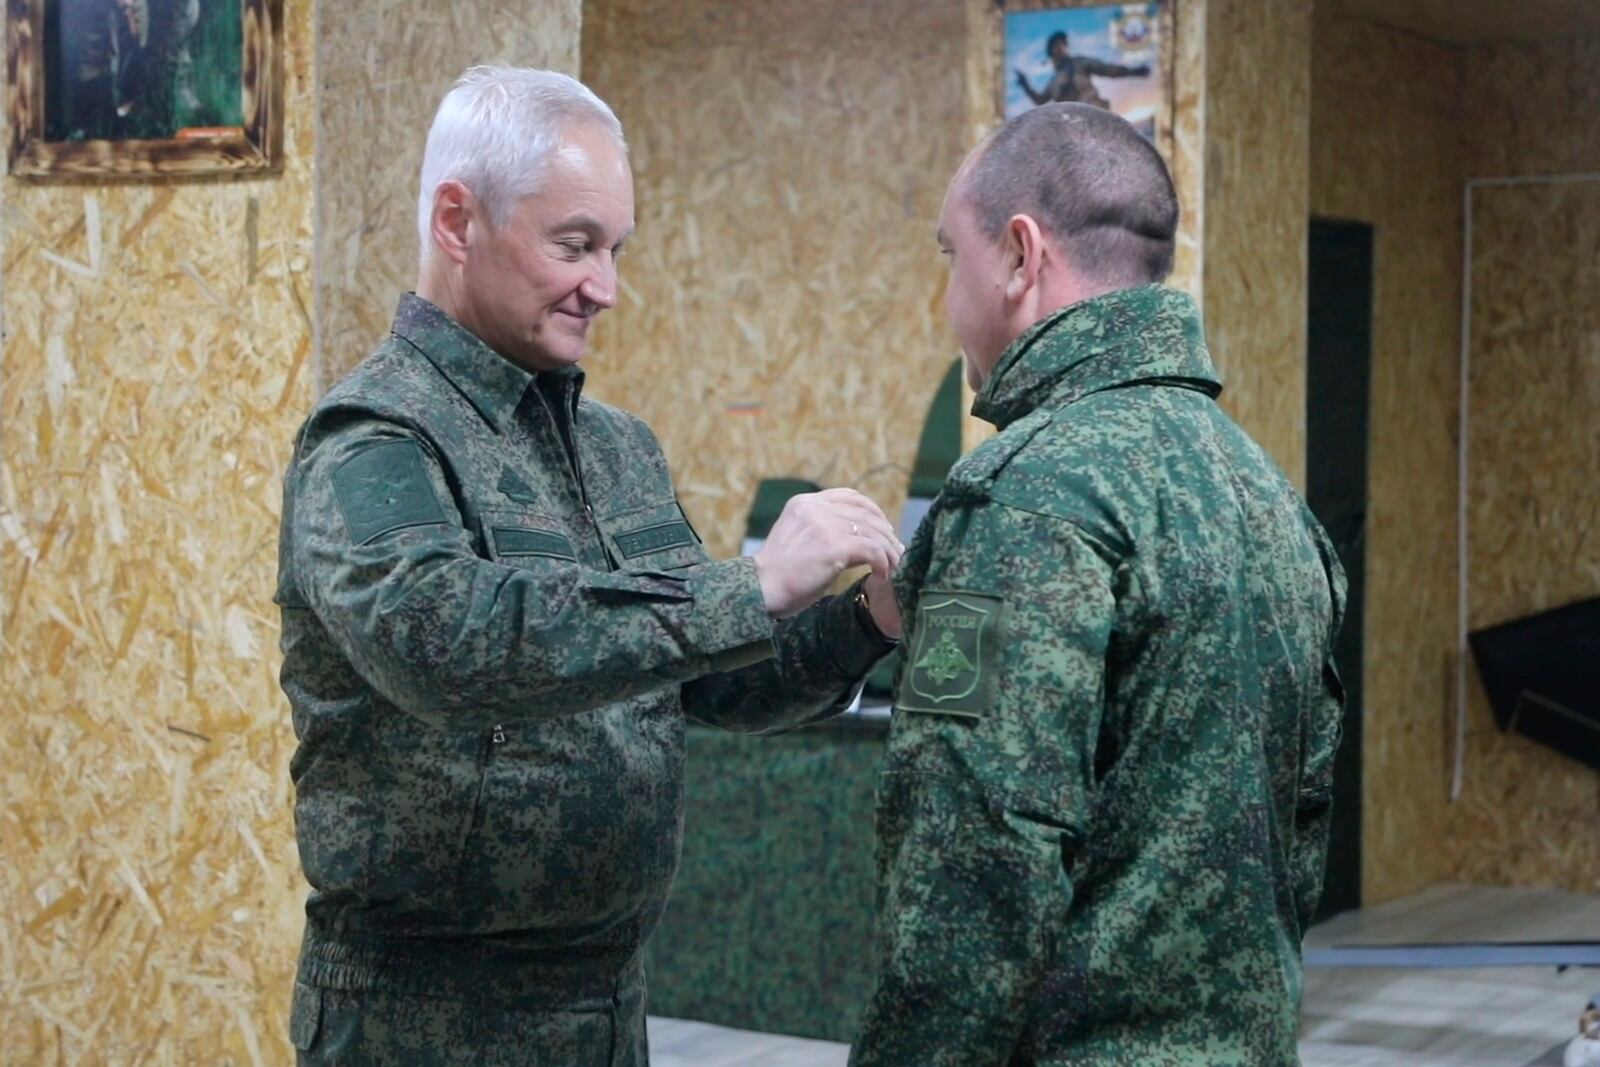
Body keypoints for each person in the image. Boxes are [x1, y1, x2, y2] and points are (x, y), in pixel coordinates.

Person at [275, 66, 903, 1066]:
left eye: (614, 249)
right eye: (574, 244)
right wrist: (742, 586)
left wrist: (867, 622)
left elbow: (709, 677)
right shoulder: (375, 438)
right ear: (456, 220)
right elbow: (444, 642)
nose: (604, 286)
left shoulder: (616, 447)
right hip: (423, 1023)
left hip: (603, 1005)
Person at [850, 102, 1347, 1066]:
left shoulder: (1023, 495)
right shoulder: (1266, 493)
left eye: (951, 255)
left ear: (1019, 256)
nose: (949, 296)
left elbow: (973, 864)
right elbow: (1299, 834)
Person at [1015, 31, 1149, 111]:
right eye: (1056, 46)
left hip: (1096, 115)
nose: (1061, 48)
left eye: (1063, 44)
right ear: (1051, 52)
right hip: (1071, 126)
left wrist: (1134, 71)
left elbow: (1106, 70)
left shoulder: (1080, 63)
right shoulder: (1054, 82)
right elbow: (1040, 100)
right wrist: (1025, 85)